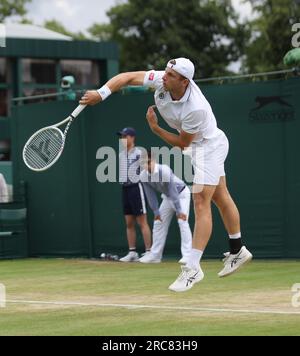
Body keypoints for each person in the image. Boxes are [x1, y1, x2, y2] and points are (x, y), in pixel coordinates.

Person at [80, 57, 252, 292]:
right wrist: (102, 93)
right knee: (221, 197)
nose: (164, 76)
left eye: (171, 75)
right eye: (166, 71)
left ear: (184, 81)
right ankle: (238, 250)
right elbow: (128, 77)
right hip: (199, 147)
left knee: (201, 200)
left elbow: (182, 144)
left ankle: (192, 268)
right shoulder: (162, 79)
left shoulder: (195, 108)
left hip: (208, 147)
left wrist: (155, 128)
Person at [139, 150, 192, 264]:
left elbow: (173, 192)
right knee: (158, 222)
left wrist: (179, 211)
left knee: (182, 222)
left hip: (181, 195)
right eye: (143, 163)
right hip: (168, 198)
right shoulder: (143, 175)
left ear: (153, 160)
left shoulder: (165, 171)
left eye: (148, 162)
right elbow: (150, 195)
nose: (146, 165)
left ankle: (188, 256)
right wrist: (156, 212)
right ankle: (155, 255)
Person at [117, 127, 152, 262]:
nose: (123, 139)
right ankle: (132, 252)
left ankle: (149, 252)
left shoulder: (139, 153)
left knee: (142, 221)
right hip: (125, 188)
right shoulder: (121, 155)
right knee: (129, 222)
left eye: (125, 137)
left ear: (132, 138)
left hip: (137, 188)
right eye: (121, 137)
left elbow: (146, 169)